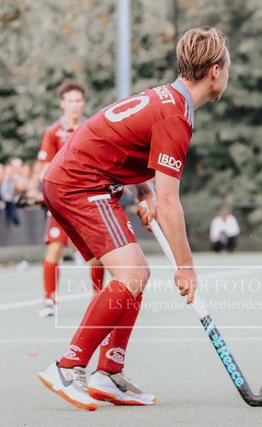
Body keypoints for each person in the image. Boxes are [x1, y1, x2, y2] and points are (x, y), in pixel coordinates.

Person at [37, 27, 230, 411]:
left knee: (137, 273)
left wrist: (144, 192)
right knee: (132, 274)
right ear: (214, 71)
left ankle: (108, 373)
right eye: (228, 66)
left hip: (80, 179)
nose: (229, 73)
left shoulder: (167, 98)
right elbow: (171, 206)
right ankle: (67, 367)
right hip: (80, 183)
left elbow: (123, 142)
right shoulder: (176, 116)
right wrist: (186, 268)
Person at [36, 79, 105, 318]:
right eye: (70, 101)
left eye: (78, 100)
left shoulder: (92, 127)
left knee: (97, 254)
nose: (75, 105)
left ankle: (99, 298)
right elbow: (45, 168)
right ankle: (49, 300)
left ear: (83, 102)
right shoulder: (53, 132)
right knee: (54, 250)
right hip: (60, 201)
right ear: (62, 103)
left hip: (86, 201)